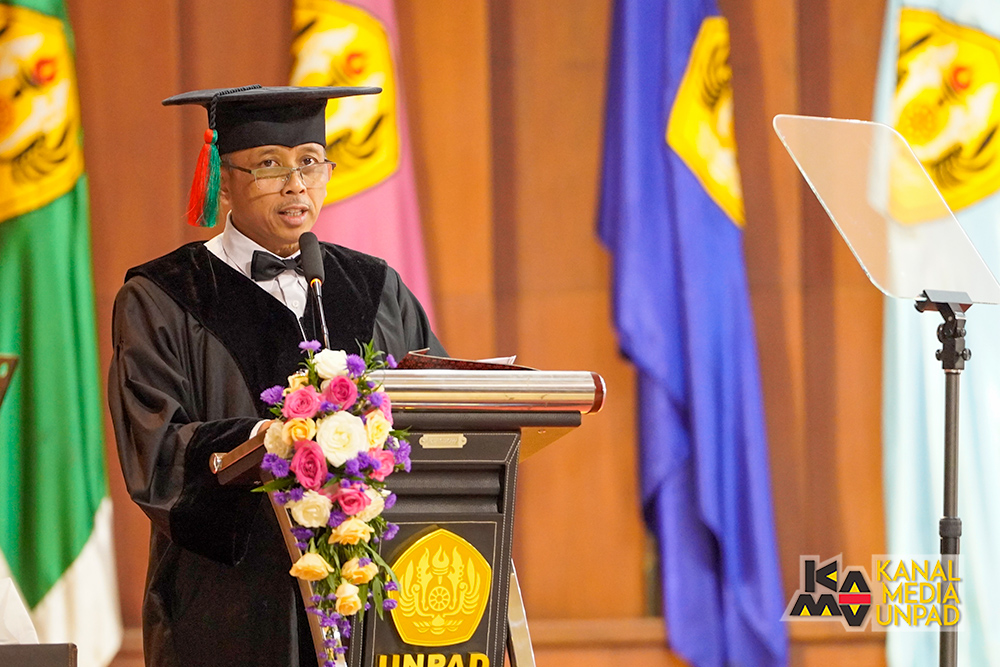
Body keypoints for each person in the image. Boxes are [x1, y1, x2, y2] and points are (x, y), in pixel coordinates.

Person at [108, 85, 445, 666]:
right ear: (223, 180)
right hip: (230, 603)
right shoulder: (163, 296)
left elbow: (433, 413)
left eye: (311, 163)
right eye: (270, 165)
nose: (296, 185)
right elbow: (156, 450)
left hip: (366, 596)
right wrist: (269, 441)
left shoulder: (373, 286)